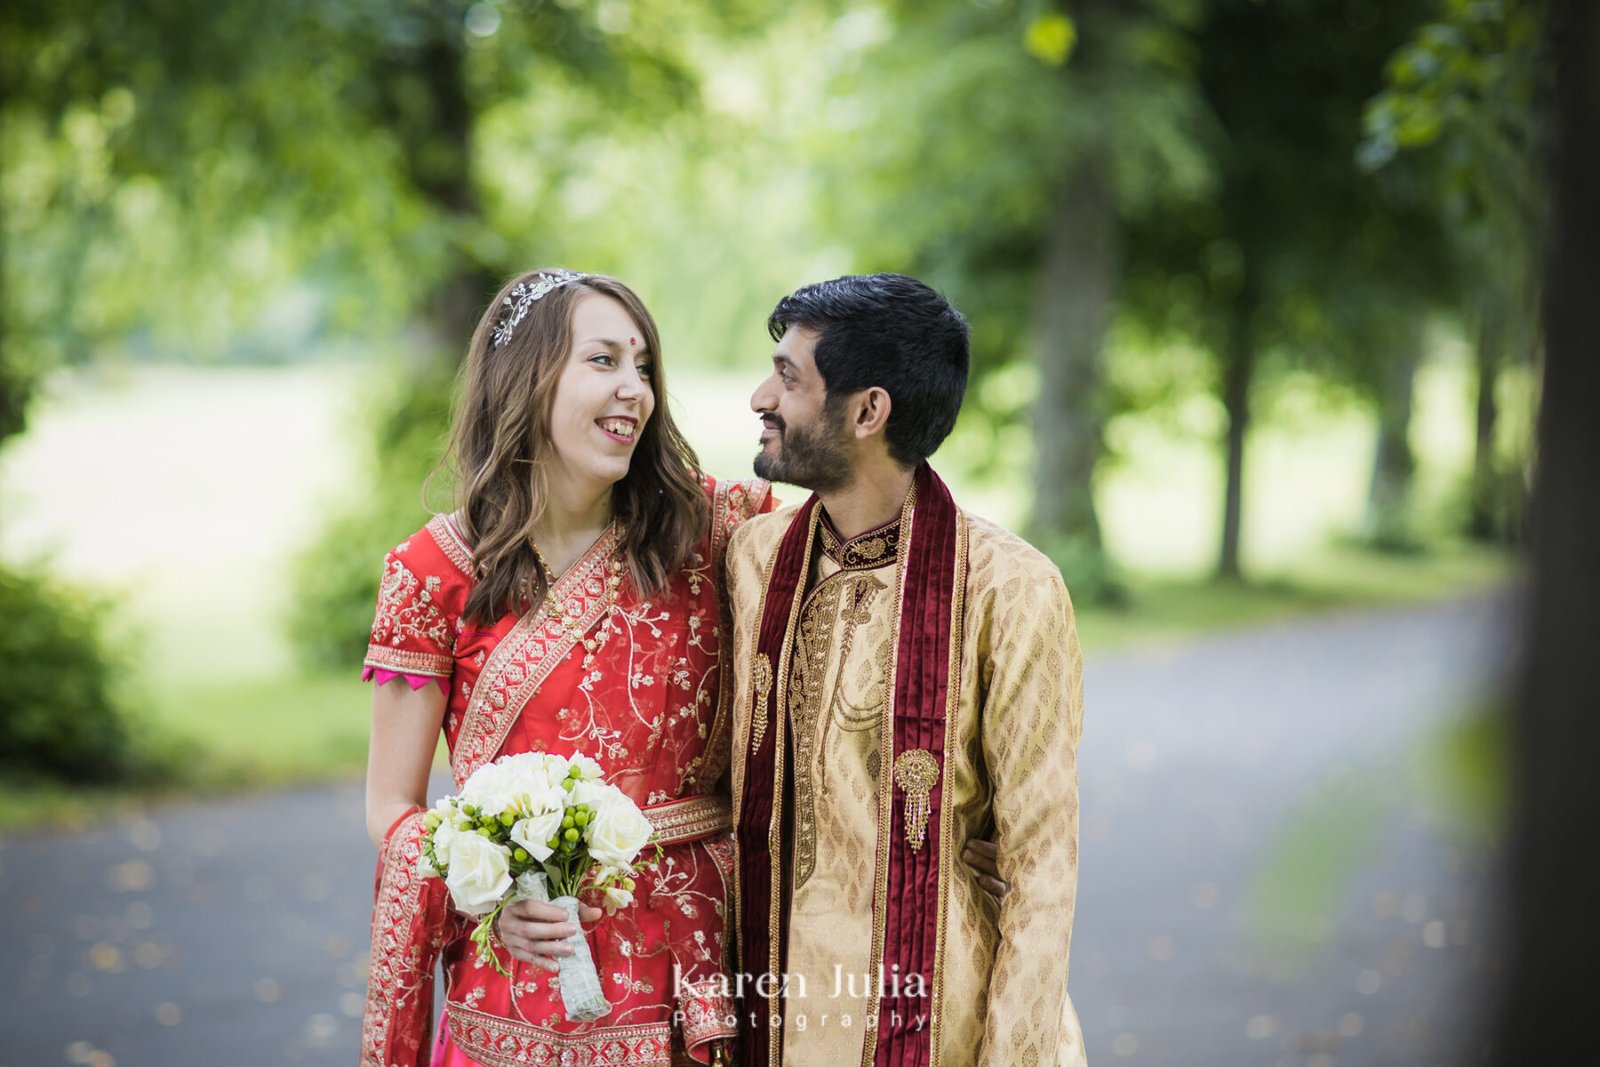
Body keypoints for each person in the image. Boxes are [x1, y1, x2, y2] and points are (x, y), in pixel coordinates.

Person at [359, 268, 771, 1067]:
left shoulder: (715, 532)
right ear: (527, 379)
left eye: (644, 366)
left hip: (693, 963)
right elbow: (393, 806)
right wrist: (485, 887)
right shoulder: (430, 571)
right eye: (605, 361)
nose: (636, 390)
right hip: (523, 972)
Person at [725, 274, 1087, 1066]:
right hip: (767, 1016)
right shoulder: (750, 560)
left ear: (867, 411)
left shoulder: (1008, 588)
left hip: (939, 1026)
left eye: (788, 376)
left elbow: (1039, 868)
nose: (761, 395)